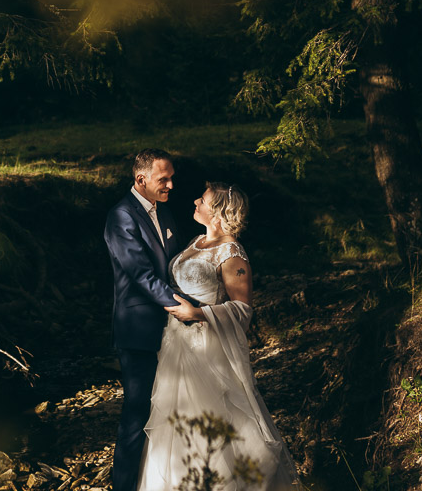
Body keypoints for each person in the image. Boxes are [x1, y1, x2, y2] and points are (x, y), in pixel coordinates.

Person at [139, 182, 301, 491]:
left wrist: (198, 314)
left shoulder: (231, 251)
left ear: (220, 213)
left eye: (204, 199)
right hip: (177, 346)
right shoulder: (197, 241)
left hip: (208, 348)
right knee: (178, 422)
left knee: (215, 418)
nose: (196, 201)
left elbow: (242, 310)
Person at [104, 149, 185, 491]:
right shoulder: (121, 216)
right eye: (163, 179)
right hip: (138, 330)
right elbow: (140, 273)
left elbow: (174, 264)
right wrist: (181, 306)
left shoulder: (163, 212)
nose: (170, 186)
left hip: (170, 330)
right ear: (141, 180)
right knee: (137, 415)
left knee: (171, 408)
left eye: (171, 178)